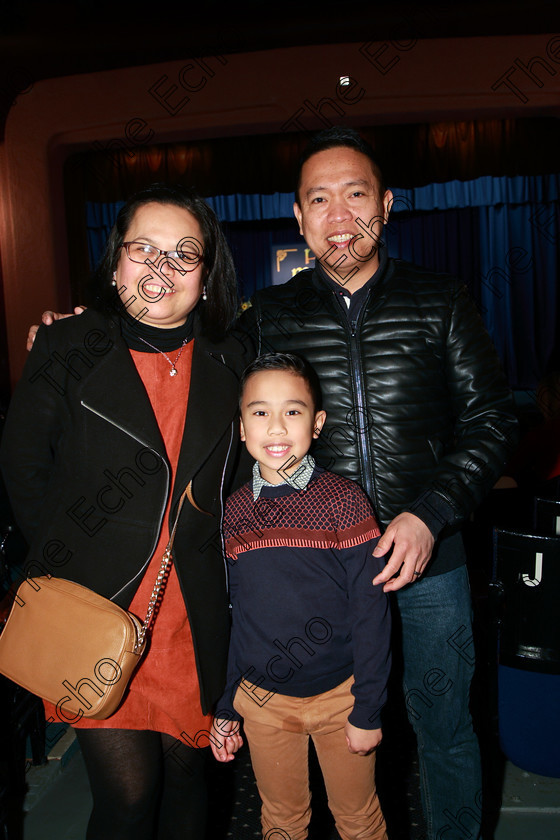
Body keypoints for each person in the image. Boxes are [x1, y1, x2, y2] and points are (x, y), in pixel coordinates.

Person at [231, 128, 519, 840]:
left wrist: (431, 513)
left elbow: (491, 422)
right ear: (297, 218)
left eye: (355, 195)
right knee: (338, 741)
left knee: (445, 729)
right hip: (316, 574)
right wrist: (98, 335)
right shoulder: (269, 317)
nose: (338, 216)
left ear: (385, 206)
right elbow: (200, 390)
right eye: (318, 200)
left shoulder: (441, 300)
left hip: (431, 566)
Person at [1, 183, 251, 840]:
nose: (160, 269)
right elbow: (23, 470)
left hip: (193, 615)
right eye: (144, 249)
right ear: (116, 265)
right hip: (99, 606)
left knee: (191, 792)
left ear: (206, 275)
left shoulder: (234, 359)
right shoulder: (67, 346)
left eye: (183, 255)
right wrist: (68, 562)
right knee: (128, 801)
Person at [211, 352, 391, 840]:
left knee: (358, 820)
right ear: (242, 427)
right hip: (263, 702)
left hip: (341, 698)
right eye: (259, 412)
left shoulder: (344, 500)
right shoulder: (233, 512)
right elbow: (239, 618)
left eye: (292, 411)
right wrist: (229, 704)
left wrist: (367, 708)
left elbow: (372, 611)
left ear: (317, 424)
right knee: (282, 822)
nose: (275, 427)